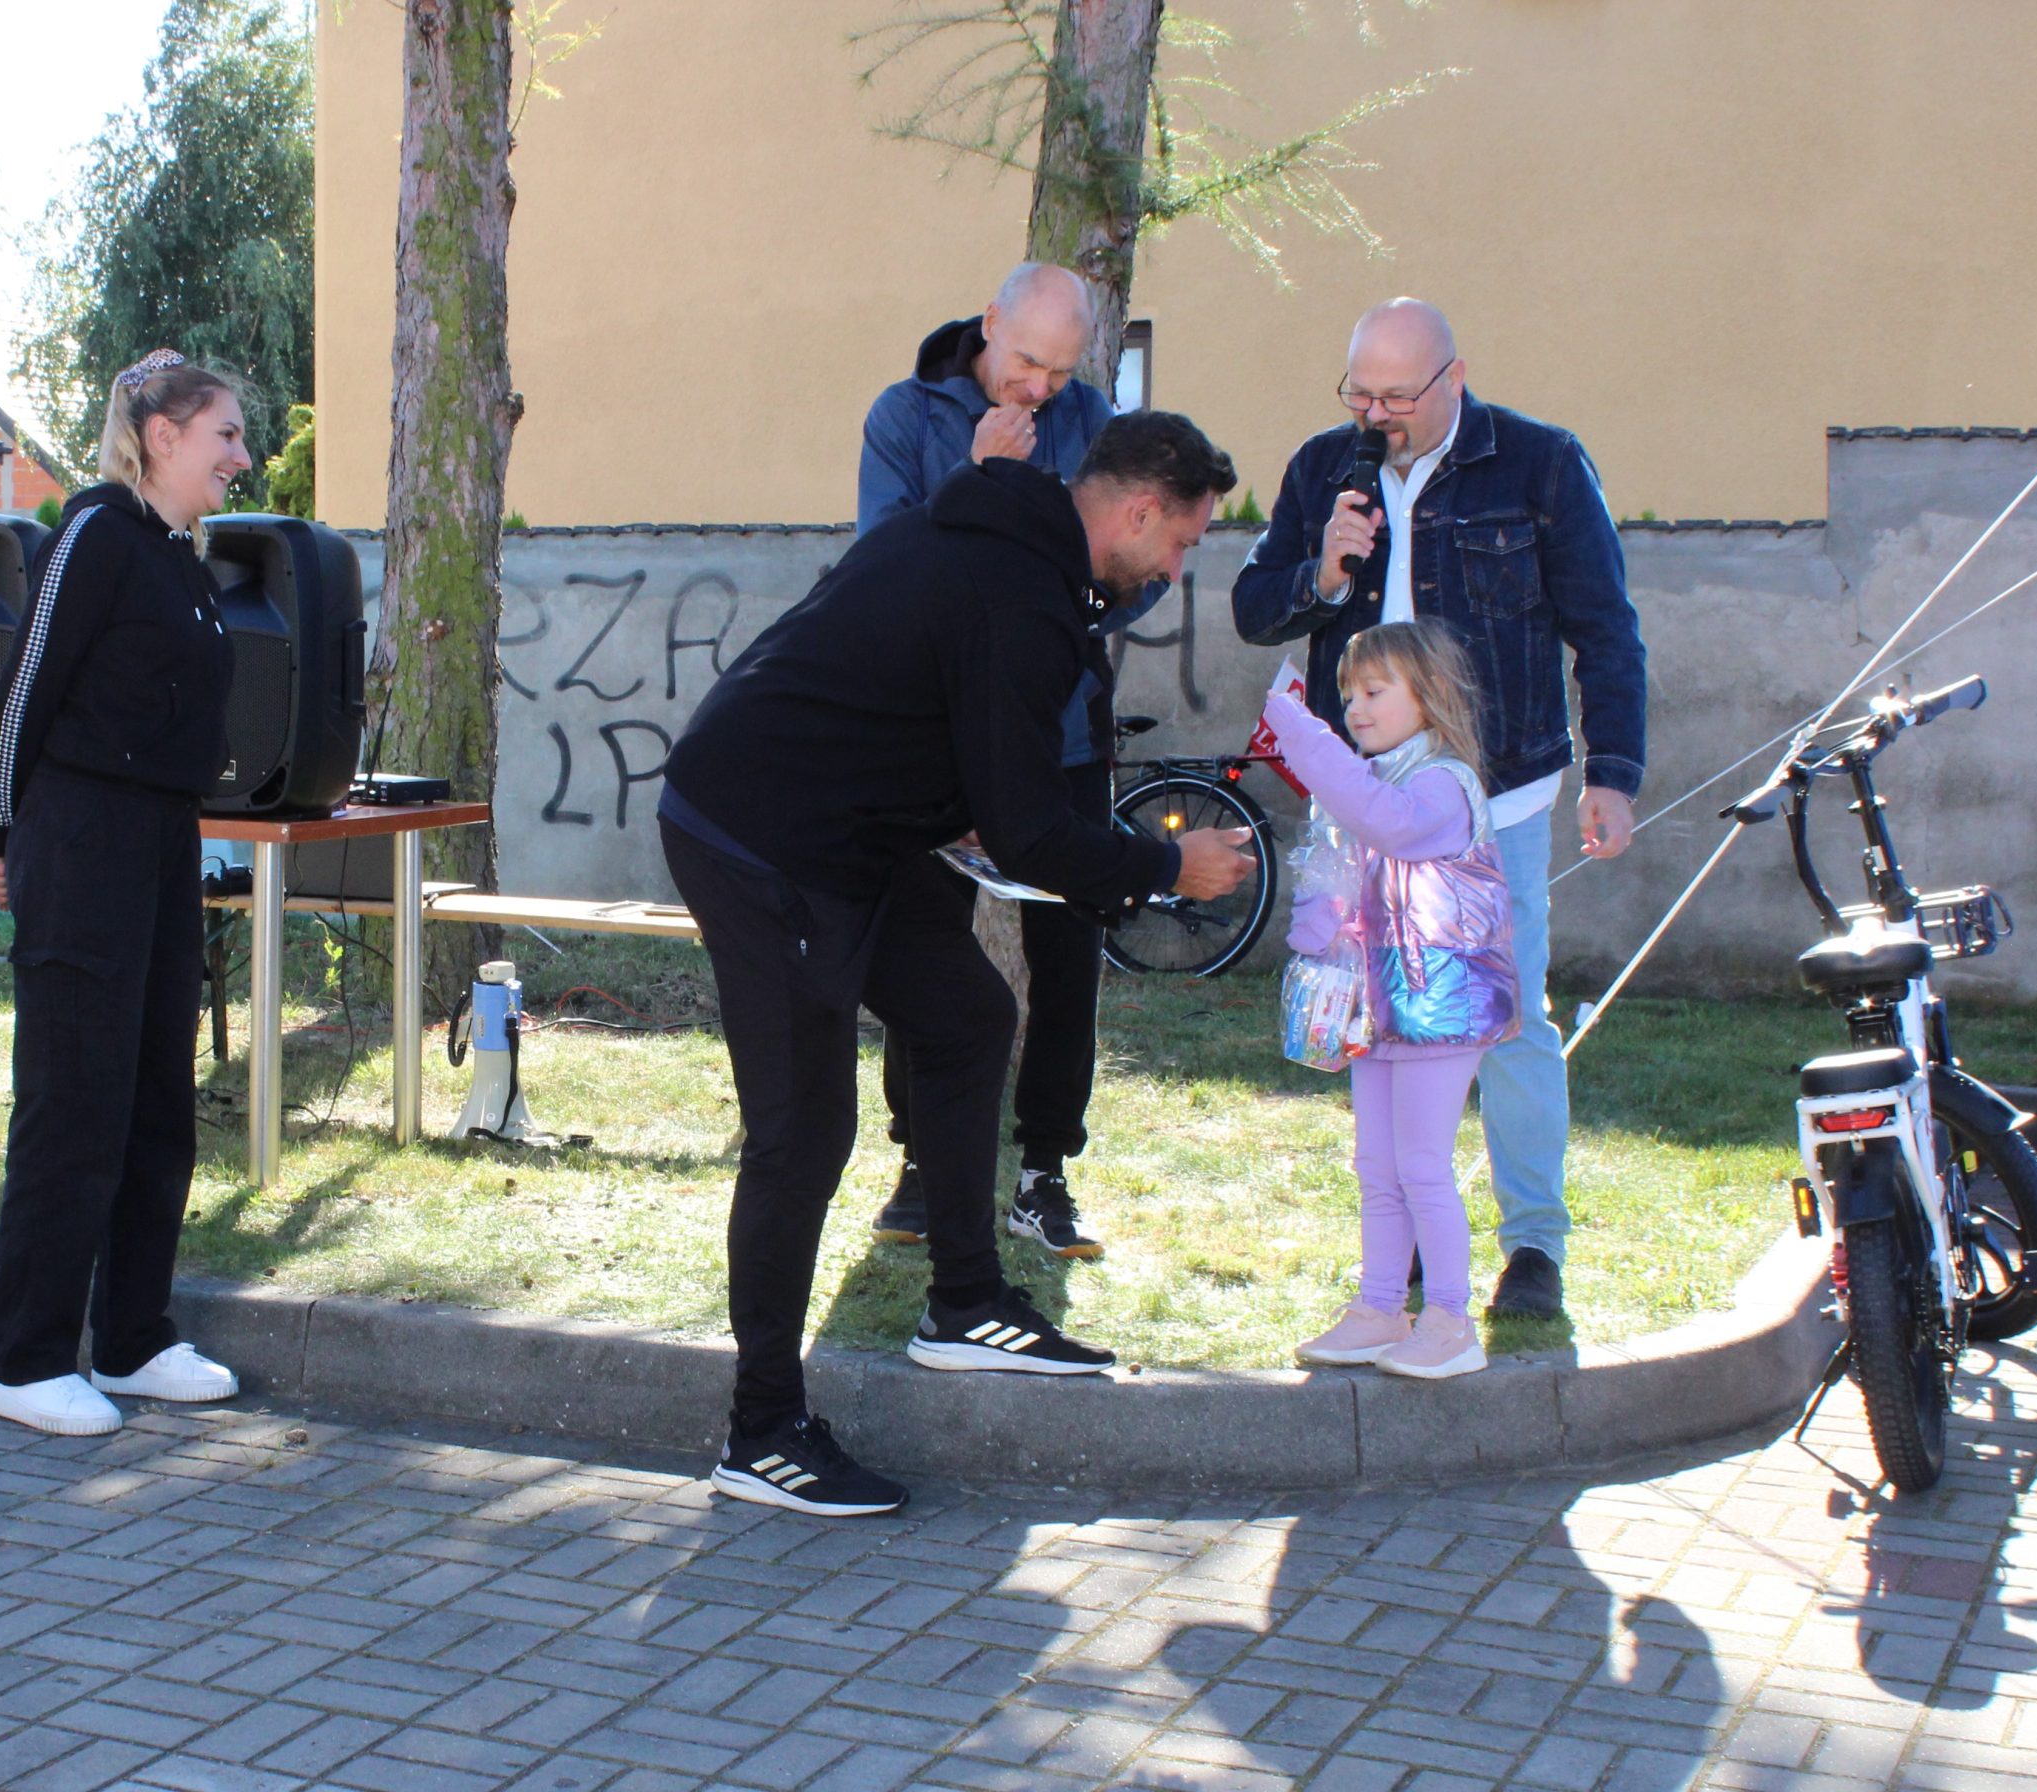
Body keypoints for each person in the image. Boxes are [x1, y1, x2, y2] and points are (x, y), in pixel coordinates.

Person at [659, 411, 1255, 1517]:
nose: (1177, 567)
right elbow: (1031, 829)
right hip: (757, 835)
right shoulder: (1017, 590)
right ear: (1137, 510)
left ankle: (965, 1304)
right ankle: (760, 1430)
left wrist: (984, 808)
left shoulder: (1014, 553)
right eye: (1181, 543)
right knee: (804, 1132)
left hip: (855, 834)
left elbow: (963, 747)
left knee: (968, 1017)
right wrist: (1167, 865)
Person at [1232, 298, 1647, 1322]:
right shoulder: (1325, 465)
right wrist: (1323, 570)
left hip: (1496, 792)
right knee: (1380, 1019)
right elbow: (1253, 608)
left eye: (1395, 396)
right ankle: (1410, 1242)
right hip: (1369, 808)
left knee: (1503, 1018)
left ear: (1453, 377)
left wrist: (1614, 771)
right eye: (1359, 393)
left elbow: (1604, 628)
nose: (1376, 415)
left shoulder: (1541, 466)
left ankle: (1532, 1246)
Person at [0, 348, 252, 1437]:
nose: (242, 454)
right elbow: (21, 691)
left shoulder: (182, 561)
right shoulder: (92, 531)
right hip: (80, 842)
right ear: (163, 433)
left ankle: (132, 1338)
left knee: (153, 1103)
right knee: (73, 1102)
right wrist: (5, 831)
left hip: (157, 843)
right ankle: (26, 1358)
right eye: (225, 433)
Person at [856, 262, 1132, 1260]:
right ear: (987, 327)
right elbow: (883, 565)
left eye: (1059, 371)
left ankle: (1044, 1170)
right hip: (929, 740)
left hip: (1057, 734)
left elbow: (1124, 568)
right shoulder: (906, 415)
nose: (1039, 388)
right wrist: (976, 478)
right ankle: (923, 1161)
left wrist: (1068, 602)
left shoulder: (1093, 420)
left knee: (1067, 962)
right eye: (1026, 362)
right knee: (923, 946)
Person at [1261, 621, 1518, 1377]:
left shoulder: (1440, 783)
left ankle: (1449, 1321)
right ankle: (1379, 1308)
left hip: (1444, 1009)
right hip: (1383, 1007)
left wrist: (1304, 740)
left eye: (1375, 692)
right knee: (1376, 1163)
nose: (1357, 710)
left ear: (1429, 697)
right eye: (1347, 696)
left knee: (1422, 1164)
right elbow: (1339, 877)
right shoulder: (1379, 780)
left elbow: (1387, 827)